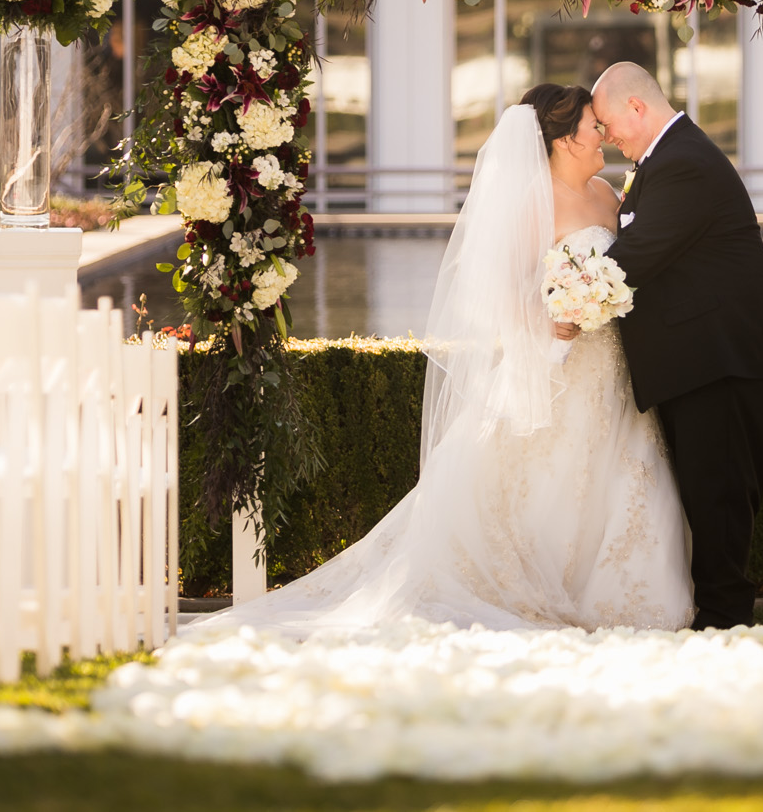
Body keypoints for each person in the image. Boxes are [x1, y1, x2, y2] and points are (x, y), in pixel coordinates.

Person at [193, 85, 692, 634]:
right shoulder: (532, 203)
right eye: (594, 125)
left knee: (625, 479)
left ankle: (625, 594)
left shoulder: (606, 194)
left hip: (617, 368)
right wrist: (551, 316)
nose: (604, 133)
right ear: (565, 138)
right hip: (557, 365)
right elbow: (501, 295)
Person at [586, 62, 763, 629]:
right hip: (700, 366)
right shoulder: (666, 159)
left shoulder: (684, 163)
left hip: (722, 365)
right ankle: (720, 621)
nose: (608, 138)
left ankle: (726, 626)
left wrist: (567, 298)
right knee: (709, 502)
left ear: (636, 108)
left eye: (608, 124)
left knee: (720, 505)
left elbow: (637, 257)